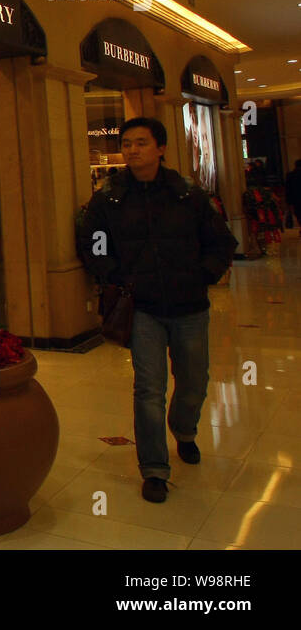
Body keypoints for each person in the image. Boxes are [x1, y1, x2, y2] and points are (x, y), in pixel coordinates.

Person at [76, 116, 237, 504]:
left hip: (190, 305)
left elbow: (222, 243)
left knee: (194, 381)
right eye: (127, 143)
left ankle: (184, 429)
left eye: (141, 143)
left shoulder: (188, 196)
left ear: (161, 148)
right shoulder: (109, 198)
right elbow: (91, 241)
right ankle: (154, 469)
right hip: (141, 306)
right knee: (148, 388)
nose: (132, 150)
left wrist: (202, 275)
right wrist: (112, 275)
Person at [285, 159, 301, 227]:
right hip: (296, 197)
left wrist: (288, 201)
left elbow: (288, 189)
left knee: (298, 213)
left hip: (295, 198)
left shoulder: (290, 175)